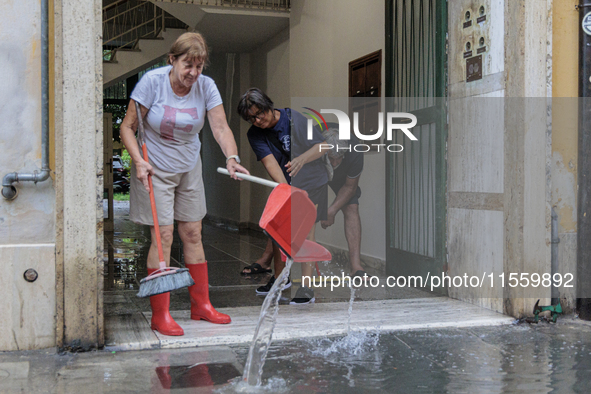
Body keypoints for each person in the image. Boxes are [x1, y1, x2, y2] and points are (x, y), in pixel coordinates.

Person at [120, 32, 249, 336]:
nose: (193, 73)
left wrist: (232, 156)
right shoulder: (152, 83)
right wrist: (138, 161)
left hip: (189, 164)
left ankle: (201, 305)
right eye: (188, 65)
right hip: (153, 167)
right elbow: (127, 127)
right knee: (163, 236)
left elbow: (219, 126)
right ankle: (160, 314)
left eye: (199, 66)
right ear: (172, 60)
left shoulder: (206, 86)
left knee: (192, 232)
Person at [237, 88, 328, 304]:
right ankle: (280, 278)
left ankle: (306, 286)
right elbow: (270, 163)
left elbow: (324, 145)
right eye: (252, 118)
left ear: (269, 105)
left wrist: (302, 159)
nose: (258, 120)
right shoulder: (255, 134)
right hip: (288, 183)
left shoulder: (293, 119)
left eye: (261, 114)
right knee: (277, 230)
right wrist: (287, 190)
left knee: (305, 232)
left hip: (313, 180)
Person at [320, 128, 369, 277]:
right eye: (331, 158)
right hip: (316, 167)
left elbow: (350, 187)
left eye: (338, 158)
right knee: (301, 205)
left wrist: (331, 211)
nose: (334, 163)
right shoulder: (312, 146)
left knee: (351, 207)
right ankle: (270, 260)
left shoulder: (355, 151)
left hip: (343, 176)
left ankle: (356, 267)